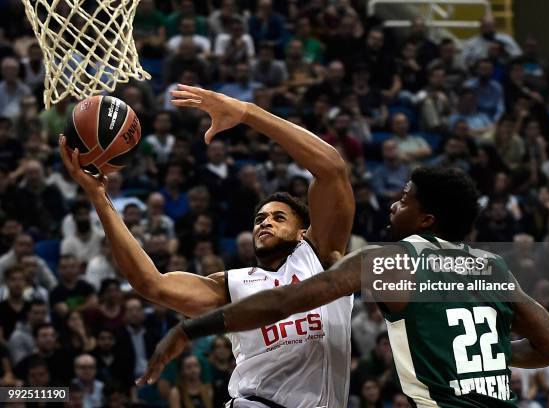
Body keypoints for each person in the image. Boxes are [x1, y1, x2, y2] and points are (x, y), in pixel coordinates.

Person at [141, 166, 549, 407]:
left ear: (426, 220)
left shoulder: (392, 260)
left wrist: (188, 329)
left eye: (403, 199)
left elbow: (290, 299)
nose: (392, 204)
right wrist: (490, 354)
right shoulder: (493, 267)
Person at [60, 85, 355, 407]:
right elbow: (151, 283)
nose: (265, 222)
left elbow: (332, 169)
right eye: (259, 219)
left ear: (302, 232)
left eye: (278, 217)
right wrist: (99, 199)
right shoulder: (235, 285)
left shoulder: (320, 258)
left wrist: (246, 112)